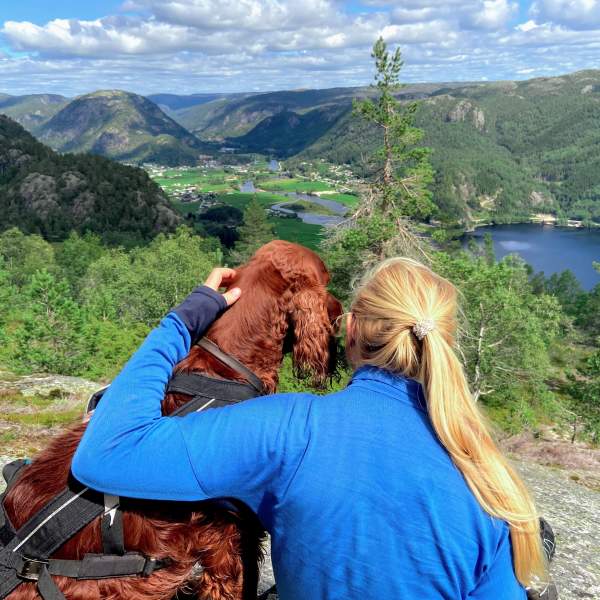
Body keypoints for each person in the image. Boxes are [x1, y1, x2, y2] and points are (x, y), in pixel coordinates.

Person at [72, 258, 547, 599]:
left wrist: (184, 320)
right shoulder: (492, 481)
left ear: (351, 328)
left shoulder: (292, 431)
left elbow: (108, 452)